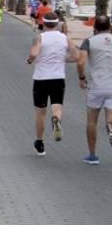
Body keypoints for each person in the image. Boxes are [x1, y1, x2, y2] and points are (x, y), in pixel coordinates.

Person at [26, 12, 80, 156]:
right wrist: (63, 59)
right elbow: (76, 56)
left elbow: (34, 53)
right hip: (58, 78)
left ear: (43, 23)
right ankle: (56, 120)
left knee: (40, 113)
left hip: (41, 78)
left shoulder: (39, 37)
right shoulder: (64, 38)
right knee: (57, 107)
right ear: (57, 24)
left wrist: (30, 60)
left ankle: (40, 142)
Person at [76, 15, 112, 164]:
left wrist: (82, 78)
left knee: (92, 121)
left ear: (94, 27)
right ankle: (111, 128)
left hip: (97, 86)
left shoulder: (88, 41)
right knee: (111, 117)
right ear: (110, 27)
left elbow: (81, 62)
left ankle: (92, 155)